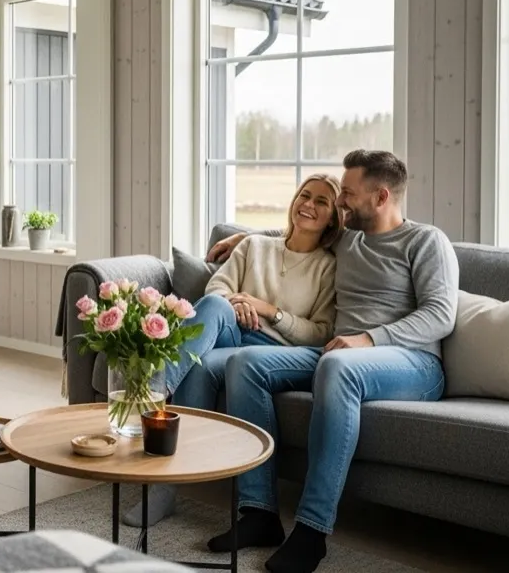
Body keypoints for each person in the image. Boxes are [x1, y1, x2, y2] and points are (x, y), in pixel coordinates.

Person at [203, 150, 459, 573]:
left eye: (348, 194)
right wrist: (242, 237)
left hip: (412, 363)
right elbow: (303, 229)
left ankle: (312, 531)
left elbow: (440, 315)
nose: (340, 202)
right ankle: (260, 515)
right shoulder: (350, 236)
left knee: (337, 368)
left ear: (380, 197)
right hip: (338, 351)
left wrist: (370, 338)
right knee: (245, 363)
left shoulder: (426, 241)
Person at [122, 173, 344, 529]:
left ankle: (164, 484)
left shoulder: (329, 267)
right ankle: (157, 387)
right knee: (214, 303)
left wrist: (269, 310)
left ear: (333, 217)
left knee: (201, 363)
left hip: (273, 350)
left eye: (321, 202)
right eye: (305, 195)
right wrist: (236, 303)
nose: (308, 205)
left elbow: (320, 332)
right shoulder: (255, 246)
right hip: (229, 331)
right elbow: (218, 286)